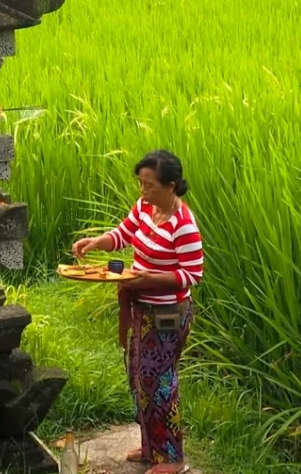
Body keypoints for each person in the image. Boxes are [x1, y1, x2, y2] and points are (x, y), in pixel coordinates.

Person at [71, 149, 203, 474]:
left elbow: (191, 275)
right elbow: (122, 235)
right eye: (141, 184)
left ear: (171, 186)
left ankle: (172, 459)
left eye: (150, 185)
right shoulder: (145, 207)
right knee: (139, 377)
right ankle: (150, 447)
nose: (143, 192)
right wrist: (95, 241)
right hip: (142, 307)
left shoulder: (183, 224)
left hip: (169, 313)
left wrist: (148, 278)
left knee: (159, 382)